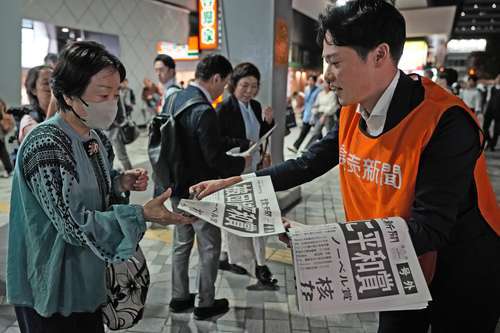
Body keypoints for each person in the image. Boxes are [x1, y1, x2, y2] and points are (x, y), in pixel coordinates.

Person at [190, 2, 500, 332]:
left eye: (335, 62)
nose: (326, 76)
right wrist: (239, 182)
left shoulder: (445, 122)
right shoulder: (353, 108)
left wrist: (323, 244)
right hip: (392, 262)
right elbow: (309, 162)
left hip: (459, 272)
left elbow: (430, 228)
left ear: (380, 55)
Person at [7, 41, 193, 333]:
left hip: (88, 282)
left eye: (116, 92)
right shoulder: (46, 143)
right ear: (69, 95)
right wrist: (140, 214)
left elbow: (94, 193)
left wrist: (118, 182)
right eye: (103, 94)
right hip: (52, 287)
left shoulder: (95, 138)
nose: (112, 102)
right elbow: (73, 225)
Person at [164, 54, 250, 320]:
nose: (223, 88)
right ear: (216, 78)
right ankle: (205, 302)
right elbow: (213, 158)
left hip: (175, 187)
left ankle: (179, 297)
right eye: (224, 83)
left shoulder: (174, 98)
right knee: (209, 246)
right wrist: (240, 164)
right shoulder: (204, 109)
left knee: (181, 244)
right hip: (200, 191)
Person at [215, 62, 277, 288]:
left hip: (253, 171)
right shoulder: (224, 108)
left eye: (254, 86)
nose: (250, 90)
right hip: (233, 173)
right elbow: (218, 141)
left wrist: (268, 123)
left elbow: (259, 136)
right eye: (245, 85)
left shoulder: (255, 105)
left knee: (252, 216)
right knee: (239, 218)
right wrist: (243, 145)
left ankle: (254, 263)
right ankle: (251, 263)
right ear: (233, 85)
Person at [304, 71, 339, 149]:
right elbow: (316, 104)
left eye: (326, 83)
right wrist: (313, 112)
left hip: (328, 116)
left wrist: (324, 115)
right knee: (316, 132)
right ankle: (308, 148)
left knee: (330, 133)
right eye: (323, 83)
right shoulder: (320, 94)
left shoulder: (332, 94)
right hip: (319, 114)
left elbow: (332, 107)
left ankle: (332, 149)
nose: (324, 85)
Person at [18, 65, 53, 143]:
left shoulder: (66, 114)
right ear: (33, 90)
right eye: (46, 83)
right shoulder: (27, 120)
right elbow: (44, 140)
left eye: (54, 82)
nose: (52, 87)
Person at [288, 75, 320, 153]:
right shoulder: (306, 89)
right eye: (309, 80)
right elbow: (306, 102)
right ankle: (300, 147)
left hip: (315, 114)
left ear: (315, 82)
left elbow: (317, 102)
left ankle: (302, 147)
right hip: (307, 113)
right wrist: (302, 109)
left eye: (312, 80)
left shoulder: (318, 90)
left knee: (316, 133)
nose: (310, 82)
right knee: (310, 132)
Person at [483, 73, 500, 151]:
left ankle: (492, 144)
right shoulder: (491, 88)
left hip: (498, 111)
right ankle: (489, 141)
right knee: (485, 127)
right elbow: (487, 99)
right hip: (490, 110)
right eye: (498, 77)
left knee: (497, 129)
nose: (499, 79)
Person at [0, 99, 14, 178]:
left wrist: (2, 113)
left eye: (1, 105)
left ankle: (9, 170)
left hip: (1, 138)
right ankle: (8, 169)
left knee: (4, 154)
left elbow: (7, 128)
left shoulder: (6, 116)